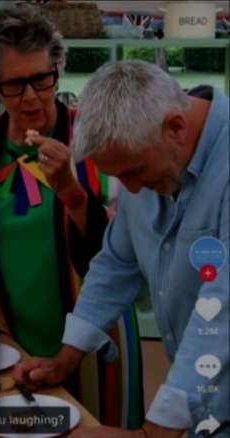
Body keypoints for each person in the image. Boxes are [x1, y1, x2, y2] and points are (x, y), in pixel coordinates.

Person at [15, 60, 229, 438]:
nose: (131, 191)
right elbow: (115, 265)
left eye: (133, 173)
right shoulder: (149, 153)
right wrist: (66, 358)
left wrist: (152, 433)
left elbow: (222, 308)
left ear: (175, 128)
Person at [0, 3, 144, 428]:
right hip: (11, 342)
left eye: (41, 79)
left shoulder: (98, 143)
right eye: (14, 84)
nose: (30, 96)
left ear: (57, 69)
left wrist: (72, 193)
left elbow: (123, 255)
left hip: (98, 338)